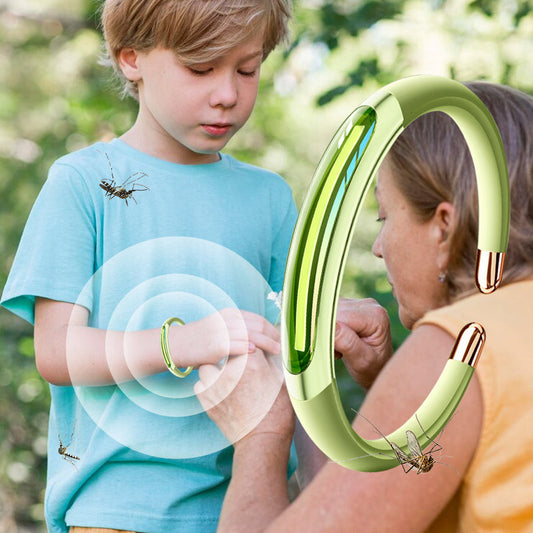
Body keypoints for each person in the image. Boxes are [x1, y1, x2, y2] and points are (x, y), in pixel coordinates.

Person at [0, 1, 304, 532]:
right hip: (116, 515)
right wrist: (180, 344)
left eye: (247, 69)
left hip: (249, 509)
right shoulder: (81, 183)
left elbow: (286, 357)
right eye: (201, 68)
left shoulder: (271, 199)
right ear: (131, 58)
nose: (228, 93)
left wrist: (323, 332)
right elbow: (56, 352)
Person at [196, 81, 533, 532]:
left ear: (444, 227)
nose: (377, 247)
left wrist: (258, 436)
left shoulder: (457, 347)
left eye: (384, 216)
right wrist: (384, 382)